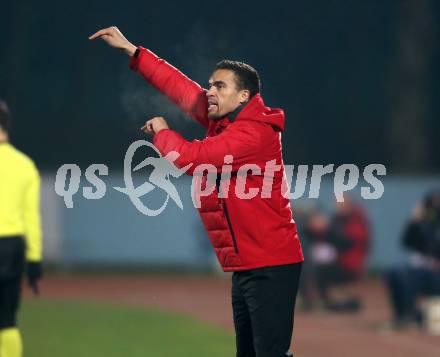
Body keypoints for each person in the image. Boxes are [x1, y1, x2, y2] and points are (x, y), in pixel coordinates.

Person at [90, 26, 304, 356]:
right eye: (210, 84)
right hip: (249, 263)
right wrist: (133, 51)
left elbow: (192, 159)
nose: (210, 91)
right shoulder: (226, 122)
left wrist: (162, 131)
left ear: (243, 96)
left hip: (270, 265)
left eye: (219, 85)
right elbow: (182, 90)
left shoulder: (252, 134)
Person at [0, 99, 43, 357]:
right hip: (13, 247)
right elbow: (31, 217)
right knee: (7, 319)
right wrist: (34, 259)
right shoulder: (25, 164)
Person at [384, 190, 440, 330]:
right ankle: (404, 315)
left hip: (435, 272)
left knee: (405, 275)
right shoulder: (425, 223)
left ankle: (413, 316)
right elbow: (406, 242)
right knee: (394, 273)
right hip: (425, 269)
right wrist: (414, 221)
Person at [310, 197, 370, 311]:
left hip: (348, 263)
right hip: (336, 259)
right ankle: (318, 300)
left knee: (320, 269)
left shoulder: (356, 220)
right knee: (310, 262)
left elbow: (347, 242)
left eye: (340, 203)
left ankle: (325, 301)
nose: (337, 206)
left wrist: (327, 228)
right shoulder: (337, 219)